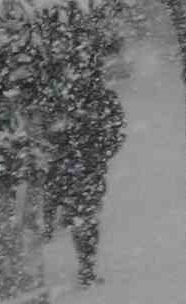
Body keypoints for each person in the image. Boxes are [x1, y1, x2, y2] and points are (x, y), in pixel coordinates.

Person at [43, 72, 125, 287]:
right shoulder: (96, 97)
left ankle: (84, 265)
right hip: (77, 163)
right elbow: (116, 130)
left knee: (79, 212)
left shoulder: (60, 94)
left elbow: (116, 131)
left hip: (74, 163)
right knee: (82, 214)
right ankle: (84, 266)